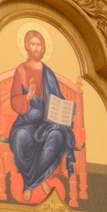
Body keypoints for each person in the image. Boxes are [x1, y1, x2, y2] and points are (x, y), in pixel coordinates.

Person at [8, 29, 77, 201]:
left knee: (58, 136)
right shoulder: (21, 70)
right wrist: (28, 97)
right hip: (27, 122)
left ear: (44, 48)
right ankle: (39, 180)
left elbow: (58, 99)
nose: (36, 48)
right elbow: (15, 100)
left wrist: (67, 114)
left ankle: (30, 183)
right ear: (27, 46)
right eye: (33, 44)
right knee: (20, 137)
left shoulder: (49, 74)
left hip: (48, 123)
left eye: (39, 44)